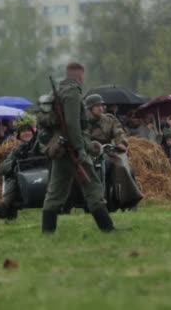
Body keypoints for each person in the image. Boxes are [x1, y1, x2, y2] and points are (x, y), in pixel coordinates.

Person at [41, 63, 116, 233]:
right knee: (93, 187)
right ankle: (107, 228)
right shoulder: (73, 93)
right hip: (72, 149)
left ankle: (47, 232)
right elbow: (72, 124)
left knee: (55, 192)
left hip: (60, 147)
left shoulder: (58, 92)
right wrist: (81, 149)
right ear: (80, 76)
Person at [84, 94, 143, 210]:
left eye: (102, 106)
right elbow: (80, 135)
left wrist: (121, 143)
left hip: (108, 150)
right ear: (90, 108)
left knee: (121, 166)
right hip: (89, 152)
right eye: (97, 106)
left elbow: (119, 131)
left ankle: (129, 199)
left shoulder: (109, 120)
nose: (101, 108)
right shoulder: (83, 122)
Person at [0, 117, 43, 220]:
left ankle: (4, 206)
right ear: (19, 135)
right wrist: (14, 162)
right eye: (23, 131)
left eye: (28, 131)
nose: (26, 133)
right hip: (23, 184)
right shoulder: (17, 150)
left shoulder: (40, 145)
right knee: (12, 177)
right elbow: (2, 168)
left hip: (41, 179)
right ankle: (4, 205)